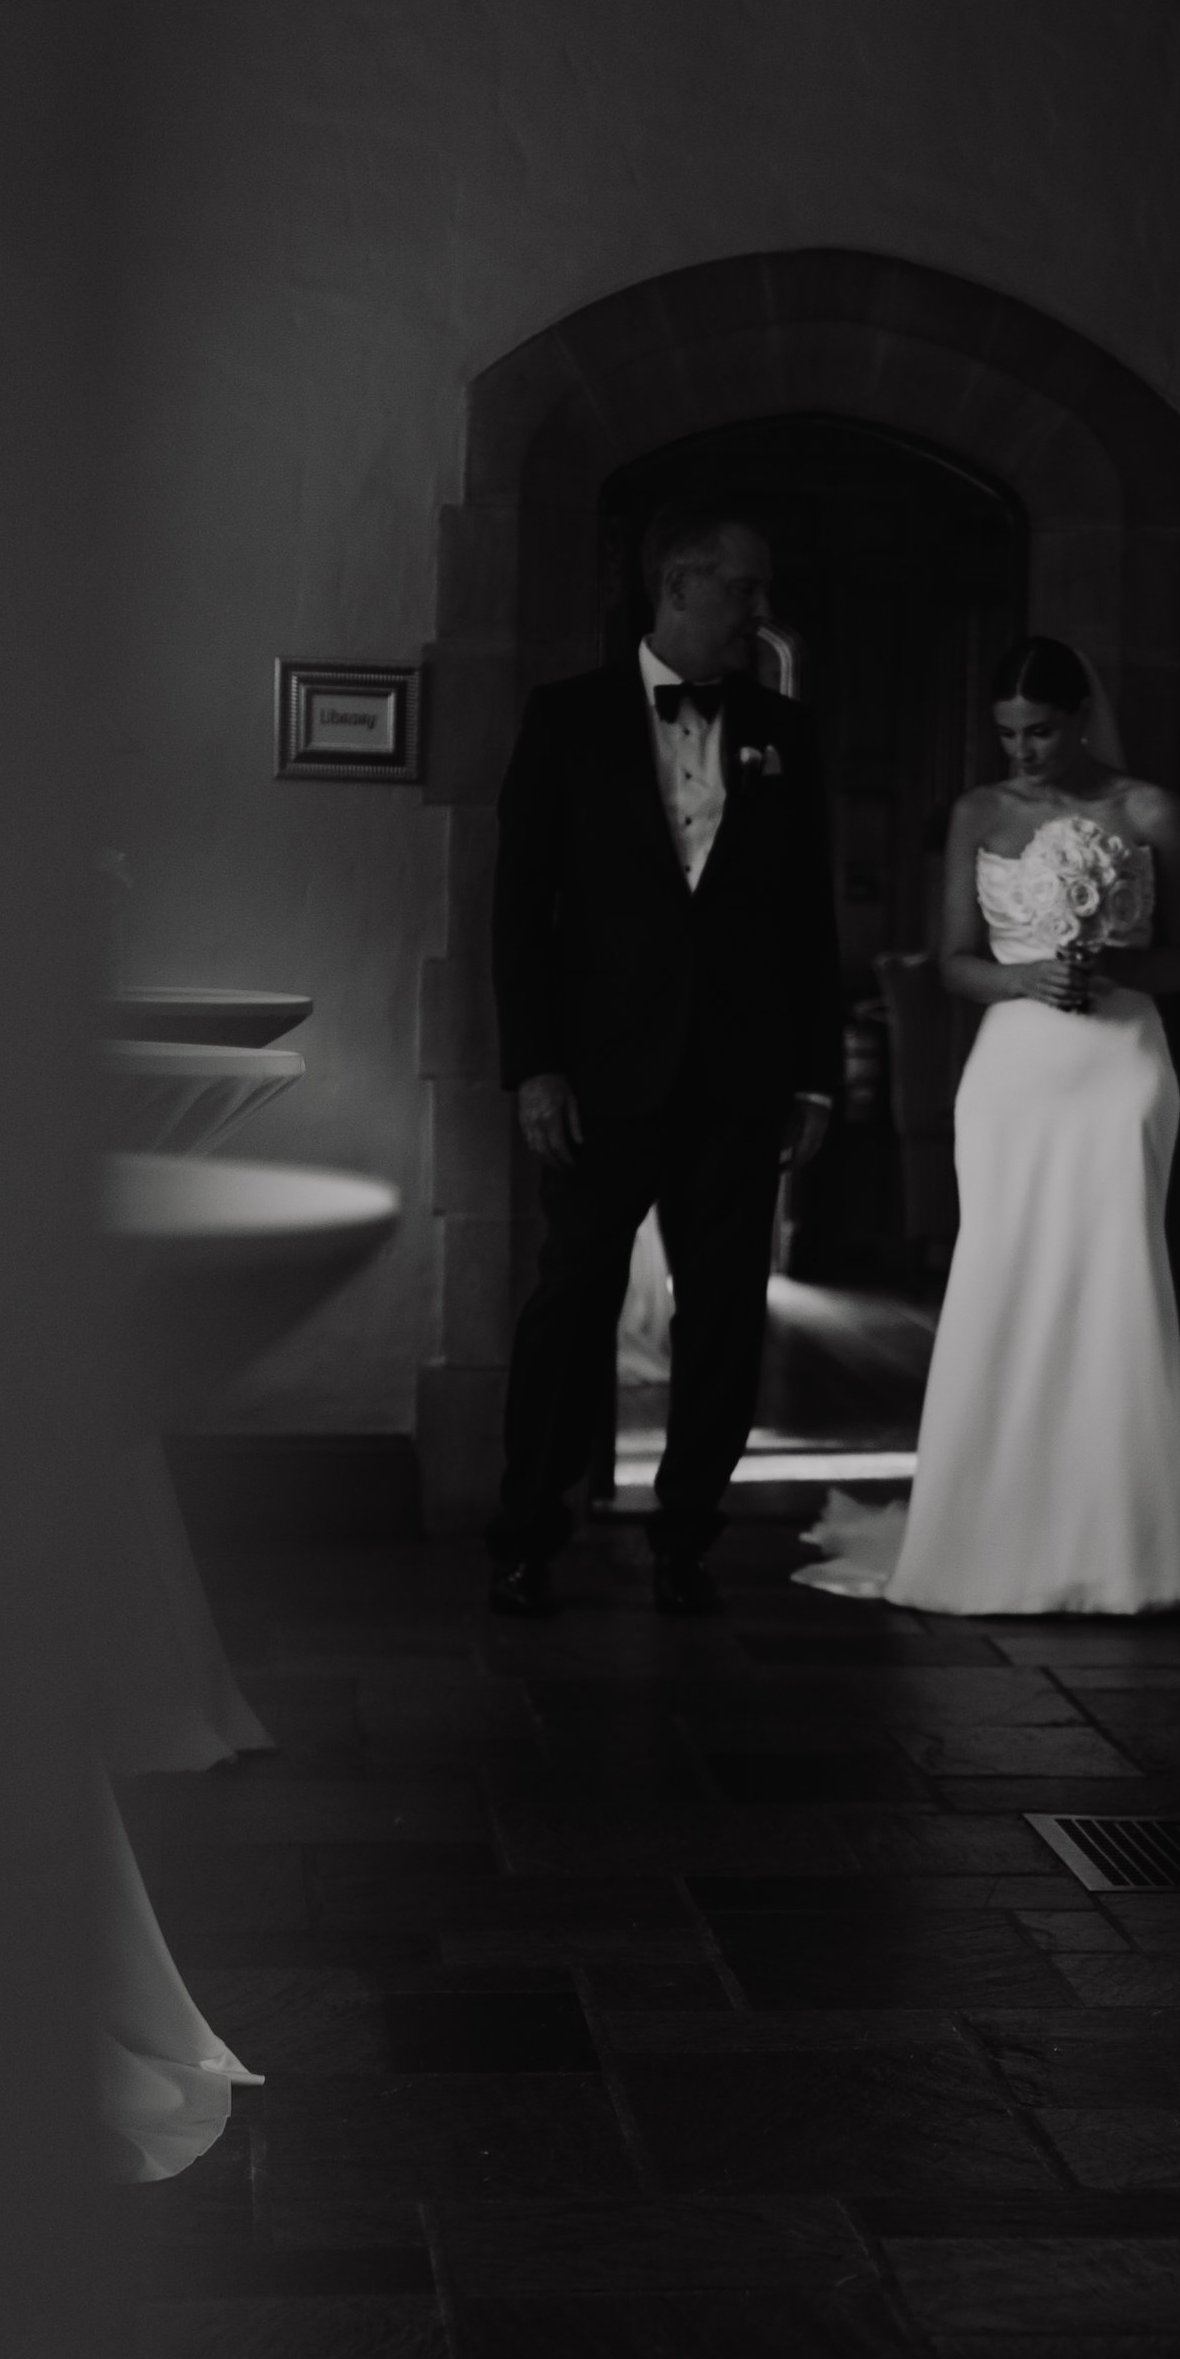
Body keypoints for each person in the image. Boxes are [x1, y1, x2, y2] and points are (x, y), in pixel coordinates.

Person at [797, 635, 1180, 1615]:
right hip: (1015, 1073)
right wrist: (1028, 974)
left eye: (1039, 732)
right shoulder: (979, 813)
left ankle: (1129, 1550)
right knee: (1000, 1281)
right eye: (1007, 733)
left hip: (1118, 1067)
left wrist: (1110, 963)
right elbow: (951, 961)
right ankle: (984, 1532)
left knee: (1116, 1281)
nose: (1022, 751)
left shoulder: (1150, 809)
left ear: (1080, 719)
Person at [486, 508, 839, 1617]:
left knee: (726, 1306)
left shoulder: (786, 729)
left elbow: (807, 916)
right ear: (679, 588)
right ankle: (526, 1527)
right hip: (598, 1073)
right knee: (571, 1296)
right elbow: (513, 910)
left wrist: (815, 1074)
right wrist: (535, 1066)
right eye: (744, 590)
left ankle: (688, 1533)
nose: (759, 613)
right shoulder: (566, 719)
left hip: (739, 1074)